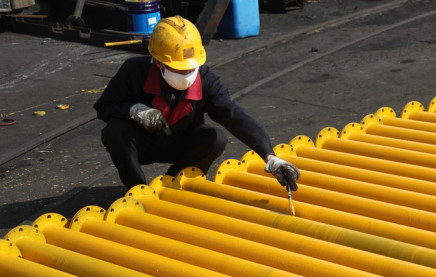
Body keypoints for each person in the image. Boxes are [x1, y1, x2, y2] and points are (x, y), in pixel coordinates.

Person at [94, 15, 299, 191]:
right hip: (143, 144)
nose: (186, 75)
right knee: (115, 130)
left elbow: (235, 116)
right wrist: (134, 111)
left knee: (215, 138)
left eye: (190, 69)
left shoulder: (207, 80)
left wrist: (270, 157)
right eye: (179, 70)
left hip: (181, 142)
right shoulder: (134, 72)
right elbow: (104, 107)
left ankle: (172, 183)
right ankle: (137, 189)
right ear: (158, 62)